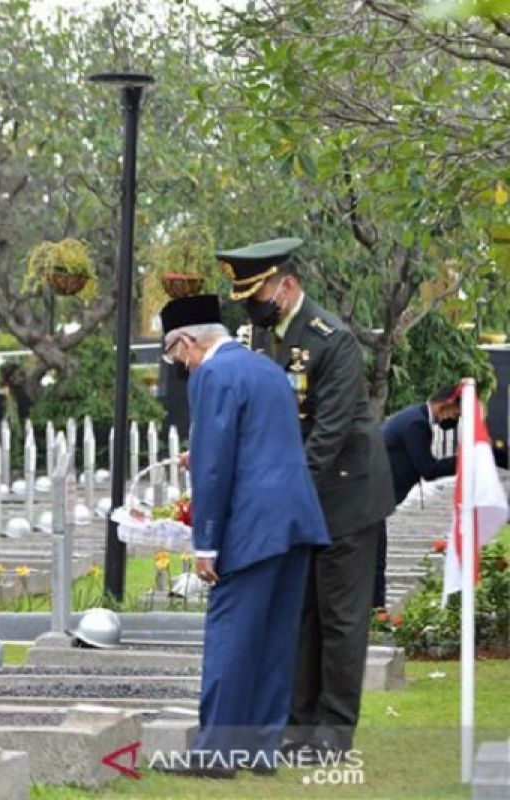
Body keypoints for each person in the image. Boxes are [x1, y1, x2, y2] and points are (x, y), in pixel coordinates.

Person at [218, 237, 396, 759]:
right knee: (298, 612)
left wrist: (277, 497)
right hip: (292, 495)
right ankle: (297, 724)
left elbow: (329, 433)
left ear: (287, 285)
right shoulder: (254, 337)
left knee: (340, 617)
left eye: (258, 294)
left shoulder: (331, 339)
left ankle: (334, 733)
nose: (251, 306)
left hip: (344, 494)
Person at [154, 294, 329, 778]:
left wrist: (206, 543)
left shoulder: (211, 374)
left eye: (175, 357)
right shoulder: (267, 368)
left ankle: (217, 752)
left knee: (231, 636)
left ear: (187, 342)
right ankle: (261, 747)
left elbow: (214, 471)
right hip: (295, 518)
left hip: (251, 525)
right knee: (274, 638)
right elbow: (261, 439)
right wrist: (206, 452)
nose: (180, 367)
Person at [376, 385, 509, 606]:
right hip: (374, 499)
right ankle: (376, 611)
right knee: (375, 560)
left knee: (375, 559)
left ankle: (375, 610)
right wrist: (466, 459)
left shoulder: (415, 418)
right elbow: (428, 469)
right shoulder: (417, 423)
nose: (455, 420)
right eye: (456, 414)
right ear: (445, 405)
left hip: (378, 499)